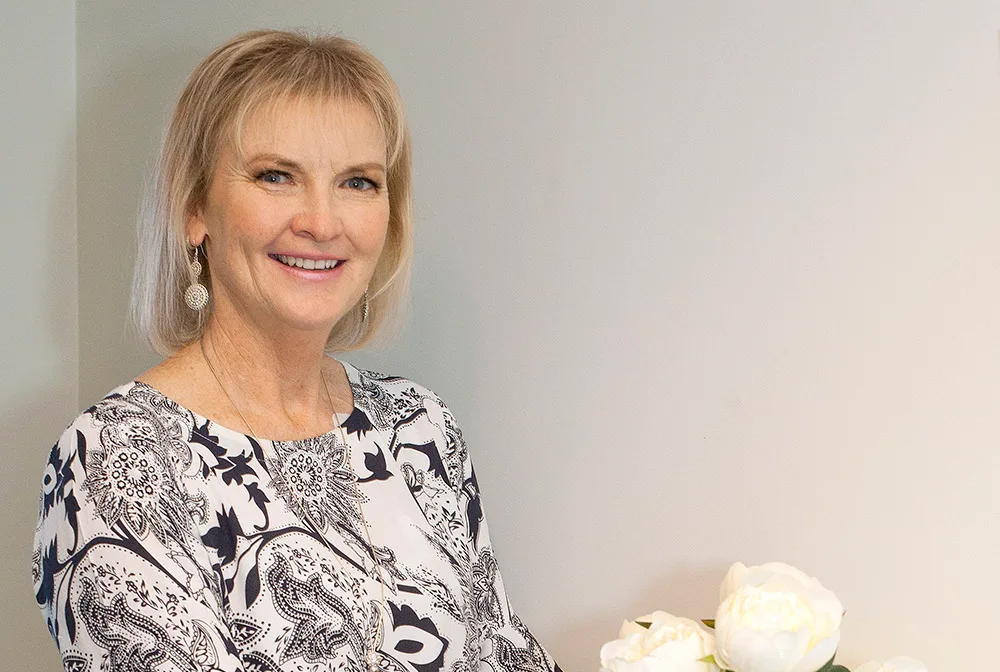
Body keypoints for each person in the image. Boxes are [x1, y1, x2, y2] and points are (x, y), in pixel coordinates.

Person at [33, 29, 560, 672]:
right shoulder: (111, 463)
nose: (321, 221)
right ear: (195, 207)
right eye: (277, 176)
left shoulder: (421, 429)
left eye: (358, 182)